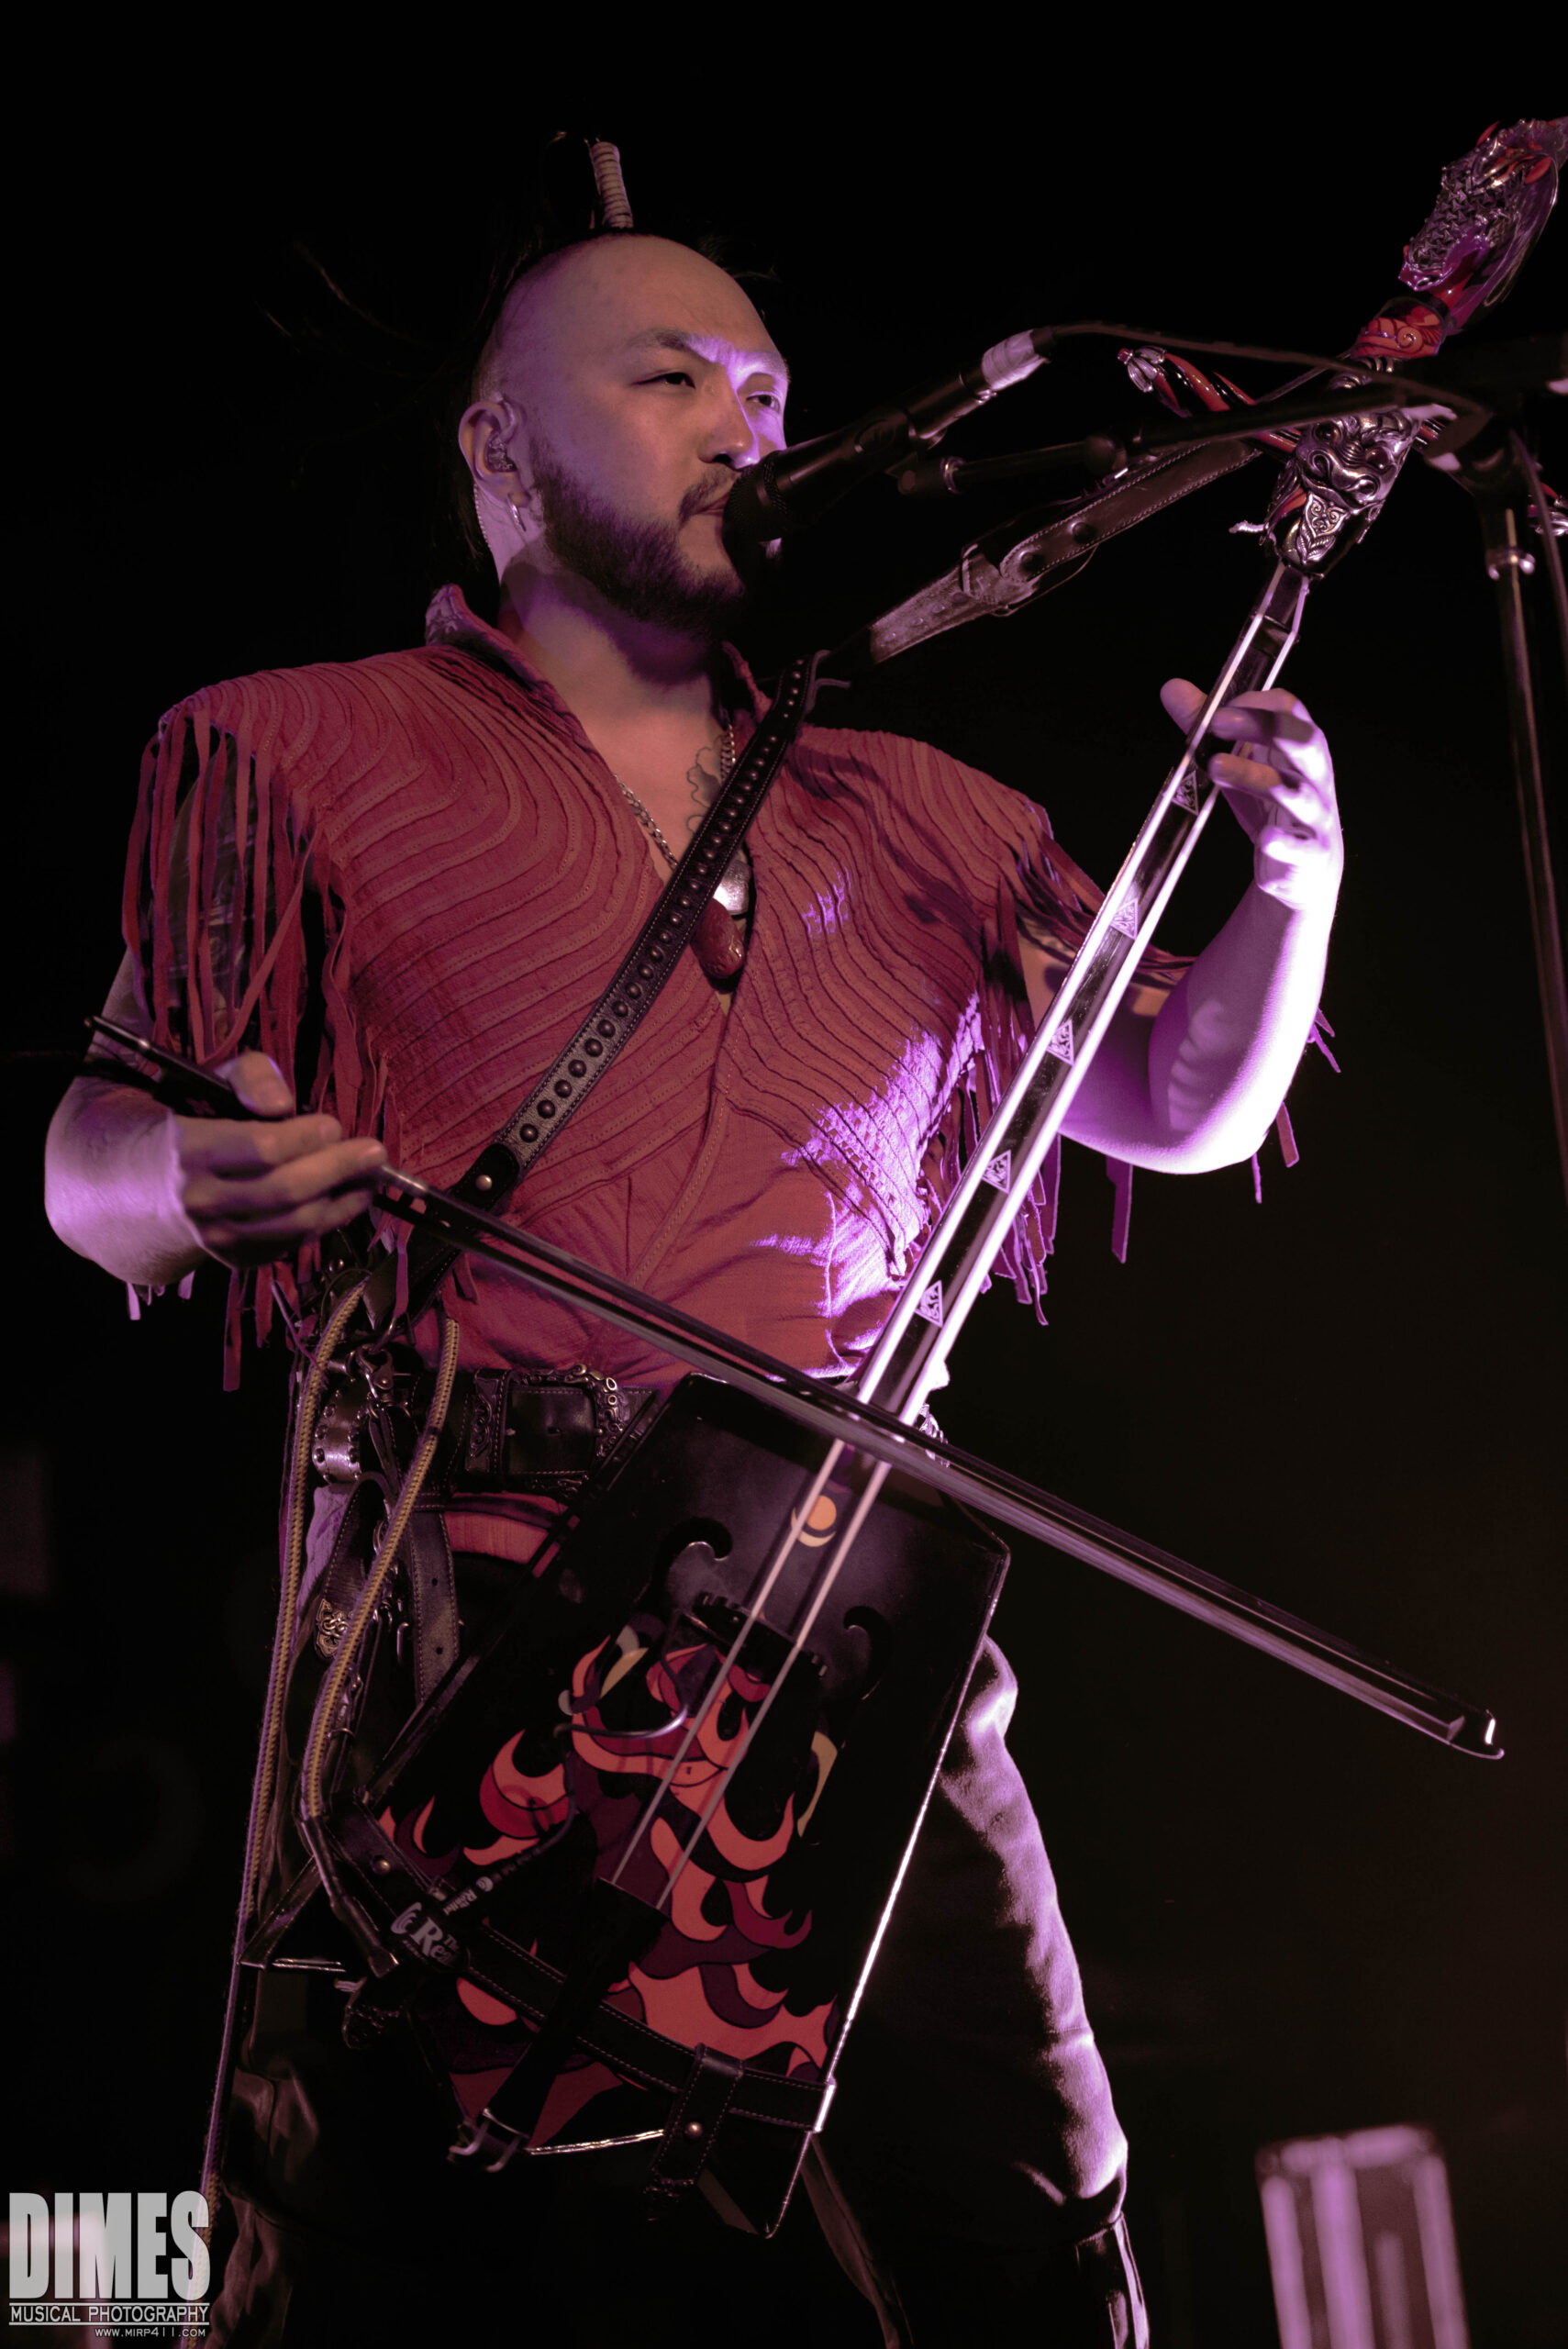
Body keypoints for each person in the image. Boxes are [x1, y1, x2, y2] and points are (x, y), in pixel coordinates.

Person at [45, 226, 1342, 2345]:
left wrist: (1296, 885)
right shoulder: (296, 748)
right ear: (496, 448)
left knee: (1030, 2223)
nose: (746, 425)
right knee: (369, 2239)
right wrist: (179, 1172)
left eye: (768, 391)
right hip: (465, 1590)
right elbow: (85, 1158)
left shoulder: (922, 810)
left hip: (840, 1605)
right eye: (670, 379)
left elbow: (1175, 1099)